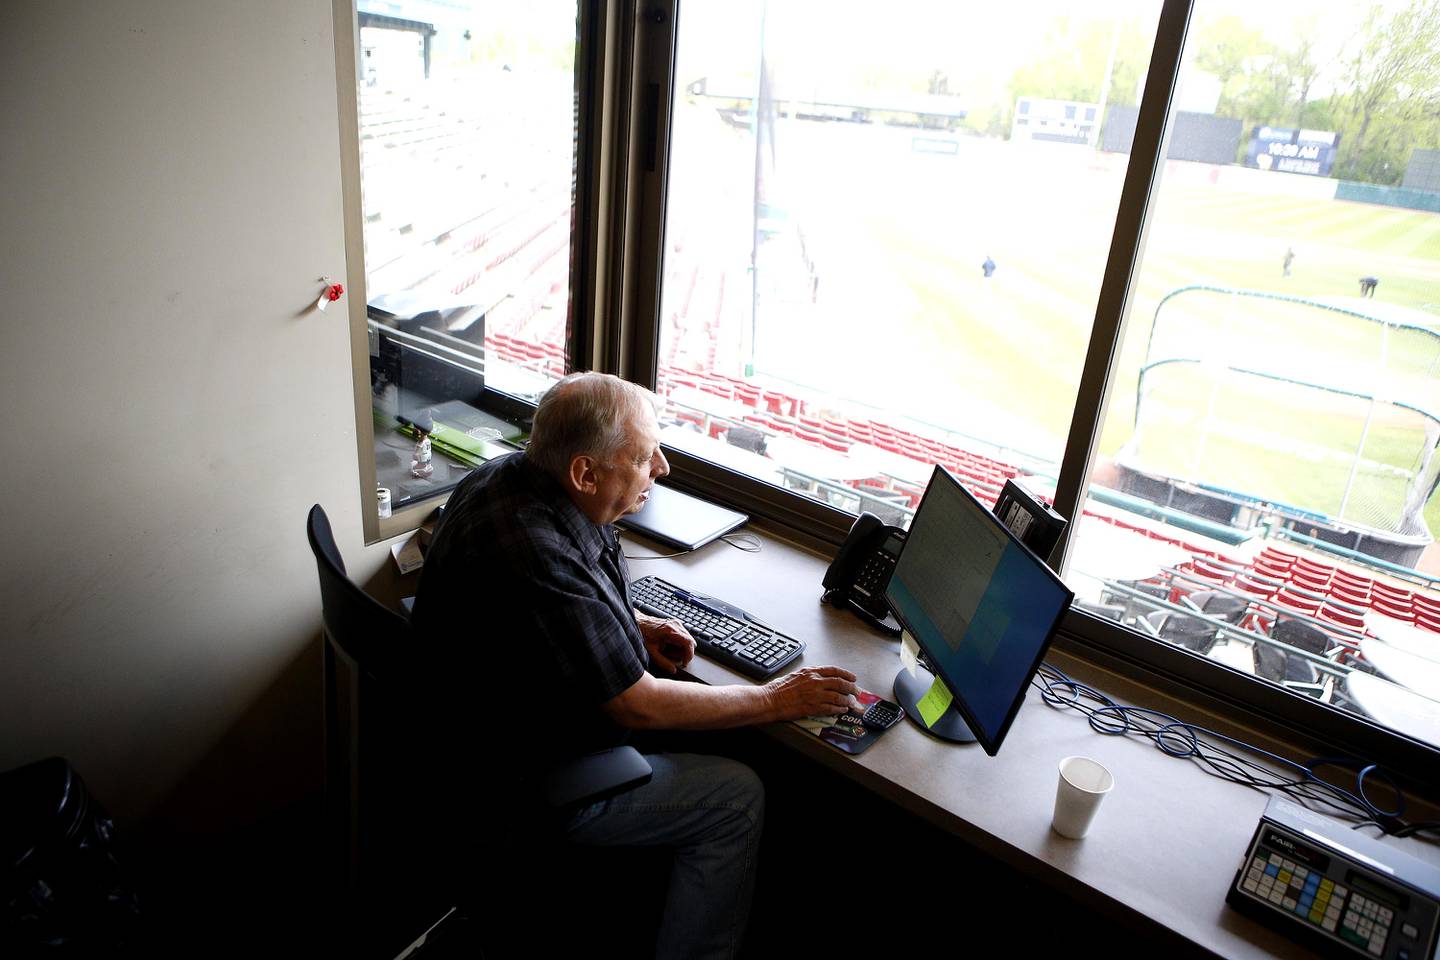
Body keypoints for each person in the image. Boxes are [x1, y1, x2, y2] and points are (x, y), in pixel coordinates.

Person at [411, 371, 859, 959]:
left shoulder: (505, 479)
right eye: (645, 457)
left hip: (466, 739)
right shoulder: (539, 553)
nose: (663, 469)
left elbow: (533, 615)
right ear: (585, 473)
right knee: (737, 794)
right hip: (523, 781)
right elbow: (638, 705)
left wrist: (629, 625)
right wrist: (777, 698)